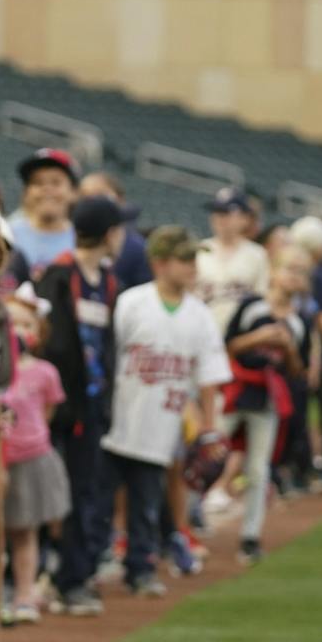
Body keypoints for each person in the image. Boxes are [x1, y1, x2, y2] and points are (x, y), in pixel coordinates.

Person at [101, 226, 230, 596]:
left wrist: (208, 428)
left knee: (146, 502)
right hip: (117, 421)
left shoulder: (200, 314)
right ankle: (89, 563)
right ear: (159, 262)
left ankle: (140, 569)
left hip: (162, 426)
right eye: (185, 259)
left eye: (195, 259)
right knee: (98, 501)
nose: (194, 267)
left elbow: (209, 376)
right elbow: (111, 361)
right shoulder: (131, 302)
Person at [35, 195, 121, 615]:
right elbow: (51, 341)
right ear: (108, 234)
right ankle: (55, 576)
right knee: (52, 492)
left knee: (85, 489)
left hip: (91, 406)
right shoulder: (59, 274)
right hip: (60, 407)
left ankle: (75, 573)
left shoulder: (106, 280)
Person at [221, 247, 313, 564]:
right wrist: (259, 337)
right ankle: (183, 523)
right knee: (209, 453)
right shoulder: (252, 306)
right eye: (289, 269)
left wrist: (286, 348)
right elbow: (229, 345)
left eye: (301, 273)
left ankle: (250, 536)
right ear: (273, 271)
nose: (294, 277)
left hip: (269, 397)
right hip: (236, 387)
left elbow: (298, 371)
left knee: (259, 469)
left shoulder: (299, 322)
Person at [0, 284, 70, 625]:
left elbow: (48, 414)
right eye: (11, 324)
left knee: (25, 531)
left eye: (26, 324)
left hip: (30, 459)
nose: (18, 332)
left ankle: (25, 594)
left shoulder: (44, 373)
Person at [289, 215, 322, 489]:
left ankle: (307, 469)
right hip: (311, 357)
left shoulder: (314, 272)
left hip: (308, 354)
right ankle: (318, 470)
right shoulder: (315, 273)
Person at [196, 187, 269, 335]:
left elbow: (262, 300)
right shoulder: (198, 250)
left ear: (244, 218)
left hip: (240, 335)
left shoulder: (257, 254)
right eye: (216, 212)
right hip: (201, 332)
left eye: (226, 213)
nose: (219, 218)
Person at [6, 148, 79, 275]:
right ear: (26, 193)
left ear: (73, 192)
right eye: (38, 183)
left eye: (56, 182)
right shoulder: (8, 235)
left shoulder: (82, 242)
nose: (47, 188)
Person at [81, 171, 149, 292]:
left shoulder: (137, 248)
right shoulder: (66, 236)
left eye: (100, 194)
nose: (93, 201)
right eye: (85, 196)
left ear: (120, 199)